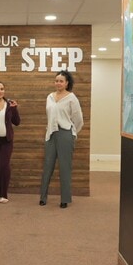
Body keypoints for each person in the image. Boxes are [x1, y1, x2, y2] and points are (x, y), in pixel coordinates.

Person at [38, 70, 83, 209]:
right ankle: (43, 197)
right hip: (51, 134)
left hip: (65, 134)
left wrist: (72, 133)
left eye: (61, 81)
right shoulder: (50, 97)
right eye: (56, 81)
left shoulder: (71, 98)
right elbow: (49, 116)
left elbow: (78, 119)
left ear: (67, 83)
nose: (58, 83)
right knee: (47, 166)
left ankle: (65, 199)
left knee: (65, 167)